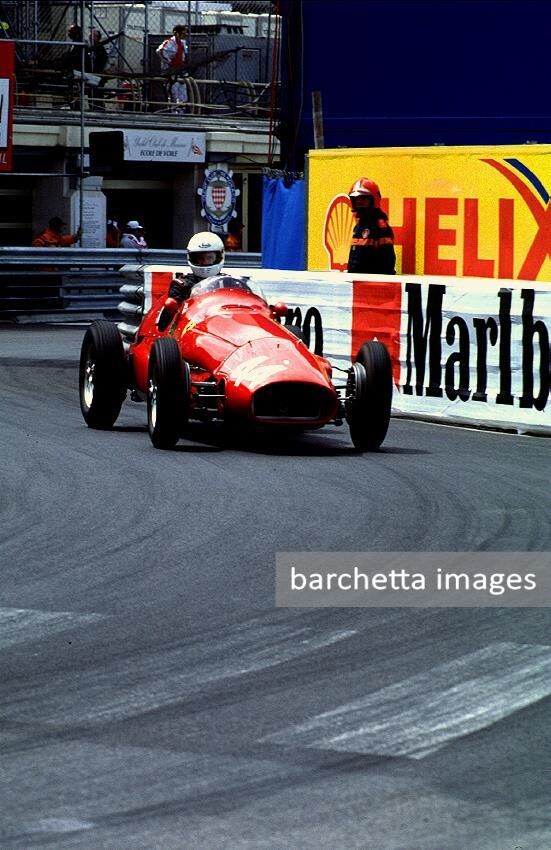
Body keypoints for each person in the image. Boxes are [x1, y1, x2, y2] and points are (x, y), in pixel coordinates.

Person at [157, 231, 225, 330]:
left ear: (219, 257)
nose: (205, 262)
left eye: (210, 257)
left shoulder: (227, 282)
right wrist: (189, 298)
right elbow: (164, 326)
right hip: (192, 328)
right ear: (192, 258)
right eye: (200, 258)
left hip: (222, 327)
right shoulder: (181, 285)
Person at [347, 178, 396, 274]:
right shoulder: (359, 226)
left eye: (364, 198)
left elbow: (387, 261)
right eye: (356, 198)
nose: (359, 202)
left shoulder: (380, 226)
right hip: (357, 281)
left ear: (374, 200)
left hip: (371, 282)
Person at [156, 25, 189, 113]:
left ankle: (182, 110)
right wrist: (170, 62)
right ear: (176, 33)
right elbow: (160, 51)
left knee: (183, 92)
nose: (184, 35)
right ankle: (174, 111)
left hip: (181, 71)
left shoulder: (183, 43)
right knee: (173, 92)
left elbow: (184, 56)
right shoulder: (169, 42)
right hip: (171, 72)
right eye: (182, 33)